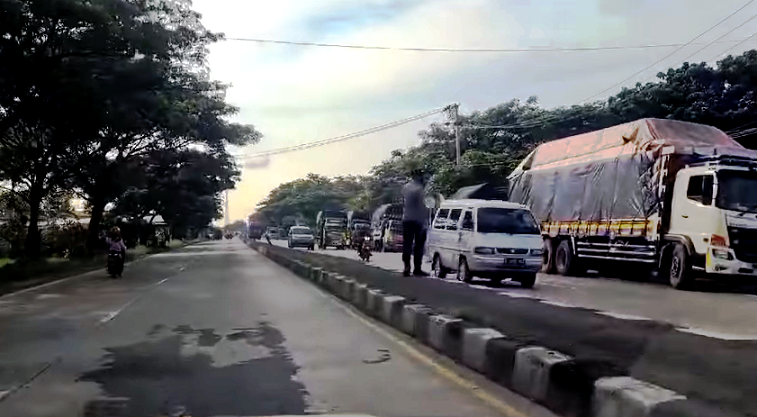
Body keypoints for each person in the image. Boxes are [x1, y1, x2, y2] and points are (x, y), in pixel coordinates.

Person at [402, 168, 429, 277]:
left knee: (407, 244)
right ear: (418, 177)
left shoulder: (405, 187)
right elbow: (422, 207)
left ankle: (406, 268)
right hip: (418, 220)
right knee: (419, 245)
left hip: (407, 219)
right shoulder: (420, 189)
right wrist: (424, 221)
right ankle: (417, 269)